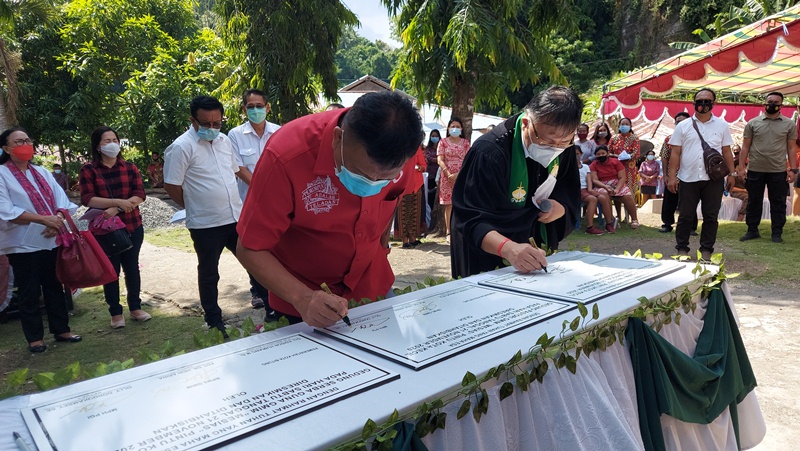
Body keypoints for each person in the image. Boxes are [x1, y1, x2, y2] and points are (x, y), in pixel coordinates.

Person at [235, 91, 423, 327]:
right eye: (360, 173)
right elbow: (250, 247)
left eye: (384, 179)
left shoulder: (401, 148)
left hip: (373, 286)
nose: (370, 185)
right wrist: (302, 298)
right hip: (305, 300)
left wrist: (382, 248)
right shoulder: (286, 155)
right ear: (338, 138)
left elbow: (393, 201)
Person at [450, 86, 582, 278]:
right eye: (547, 142)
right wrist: (508, 249)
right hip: (490, 249)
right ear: (526, 123)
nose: (555, 149)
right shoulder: (488, 153)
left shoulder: (564, 146)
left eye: (564, 142)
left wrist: (559, 208)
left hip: (533, 248)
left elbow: (568, 189)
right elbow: (470, 217)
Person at [163, 95, 244, 338]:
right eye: (206, 123)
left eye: (217, 123)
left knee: (257, 262)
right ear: (193, 120)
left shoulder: (224, 141)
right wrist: (195, 205)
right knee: (209, 273)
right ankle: (214, 320)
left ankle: (270, 306)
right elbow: (171, 185)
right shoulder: (181, 147)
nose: (212, 128)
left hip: (235, 217)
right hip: (206, 224)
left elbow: (234, 172)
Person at [0, 127, 82, 352]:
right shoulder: (2, 174)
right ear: (7, 148)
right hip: (21, 244)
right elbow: (5, 209)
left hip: (50, 238)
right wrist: (43, 220)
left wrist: (56, 219)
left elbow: (61, 200)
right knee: (29, 289)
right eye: (18, 142)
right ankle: (35, 338)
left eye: (27, 140)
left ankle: (62, 329)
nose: (25, 144)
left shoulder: (42, 172)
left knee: (54, 285)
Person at [79, 126, 150, 329]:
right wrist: (119, 201)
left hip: (132, 225)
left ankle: (135, 308)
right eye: (106, 141)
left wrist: (117, 207)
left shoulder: (130, 167)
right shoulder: (89, 170)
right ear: (97, 147)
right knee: (111, 271)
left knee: (132, 268)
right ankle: (115, 313)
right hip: (104, 230)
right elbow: (88, 198)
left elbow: (139, 195)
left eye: (114, 140)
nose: (112, 144)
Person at [666, 88, 736, 260]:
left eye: (707, 101)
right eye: (700, 101)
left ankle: (706, 250)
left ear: (714, 103)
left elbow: (727, 151)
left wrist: (732, 173)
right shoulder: (683, 126)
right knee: (685, 215)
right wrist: (672, 176)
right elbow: (675, 153)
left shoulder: (722, 125)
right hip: (688, 177)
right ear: (693, 103)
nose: (703, 104)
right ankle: (682, 249)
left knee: (711, 216)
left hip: (713, 179)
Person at [227, 89, 280, 309]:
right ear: (244, 109)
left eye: (260, 106)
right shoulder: (235, 135)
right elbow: (238, 167)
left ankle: (276, 292)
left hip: (277, 202)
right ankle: (258, 291)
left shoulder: (279, 132)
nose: (256, 110)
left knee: (276, 248)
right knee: (253, 247)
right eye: (251, 107)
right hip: (248, 202)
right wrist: (261, 188)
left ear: (267, 108)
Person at [737, 92, 798, 243]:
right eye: (770, 101)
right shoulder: (753, 123)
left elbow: (791, 148)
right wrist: (740, 167)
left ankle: (777, 233)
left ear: (781, 105)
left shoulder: (789, 124)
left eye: (776, 102)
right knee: (754, 201)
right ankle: (752, 230)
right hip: (755, 169)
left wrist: (793, 169)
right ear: (765, 103)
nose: (772, 104)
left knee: (778, 202)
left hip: (778, 170)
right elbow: (745, 147)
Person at [659, 112, 697, 233]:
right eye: (677, 121)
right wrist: (665, 175)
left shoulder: (695, 137)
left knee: (689, 201)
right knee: (669, 201)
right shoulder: (668, 139)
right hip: (672, 176)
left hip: (690, 175)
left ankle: (690, 227)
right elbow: (664, 157)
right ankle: (667, 224)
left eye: (683, 121)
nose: (680, 123)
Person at [590, 146, 640, 231]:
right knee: (604, 195)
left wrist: (617, 189)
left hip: (618, 183)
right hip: (601, 185)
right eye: (598, 154)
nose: (601, 155)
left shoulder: (616, 162)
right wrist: (605, 187)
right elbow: (594, 180)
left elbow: (622, 178)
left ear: (608, 154)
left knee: (628, 196)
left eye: (603, 153)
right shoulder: (593, 165)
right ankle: (611, 220)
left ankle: (634, 219)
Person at [437, 117, 470, 241]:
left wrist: (458, 174)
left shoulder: (466, 143)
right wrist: (447, 173)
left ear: (461, 128)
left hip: (462, 175)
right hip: (446, 176)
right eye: (452, 126)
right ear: (448, 128)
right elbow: (440, 159)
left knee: (461, 203)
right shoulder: (443, 142)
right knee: (449, 204)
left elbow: (468, 160)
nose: (455, 128)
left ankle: (461, 229)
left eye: (457, 126)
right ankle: (448, 232)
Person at [576, 146, 613, 235]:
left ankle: (609, 223)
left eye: (577, 154)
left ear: (581, 154)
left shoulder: (585, 167)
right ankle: (590, 227)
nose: (576, 156)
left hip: (586, 189)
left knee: (603, 198)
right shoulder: (568, 167)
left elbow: (589, 179)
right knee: (593, 199)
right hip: (576, 190)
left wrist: (590, 189)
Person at [398, 145, 427, 248]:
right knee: (403, 212)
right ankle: (404, 240)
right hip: (402, 183)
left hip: (416, 184)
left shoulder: (416, 147)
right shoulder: (397, 146)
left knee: (415, 211)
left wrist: (420, 167)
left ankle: (413, 238)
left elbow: (423, 165)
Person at [609, 117, 641, 207]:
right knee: (616, 191)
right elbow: (608, 152)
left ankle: (631, 215)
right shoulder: (614, 138)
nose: (624, 126)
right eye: (622, 124)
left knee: (630, 191)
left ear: (631, 126)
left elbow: (636, 153)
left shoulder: (634, 138)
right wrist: (617, 156)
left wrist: (627, 156)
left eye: (627, 124)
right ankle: (618, 215)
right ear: (619, 126)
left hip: (629, 169)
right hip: (615, 169)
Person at [423, 129, 441, 227]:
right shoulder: (428, 149)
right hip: (430, 176)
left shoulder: (441, 146)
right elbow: (429, 159)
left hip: (440, 176)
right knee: (430, 197)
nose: (434, 137)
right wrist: (440, 159)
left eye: (436, 135)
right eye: (433, 135)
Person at [729, 145, 749, 221]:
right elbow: (731, 188)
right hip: (735, 191)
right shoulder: (733, 175)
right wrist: (743, 191)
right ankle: (740, 216)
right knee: (747, 197)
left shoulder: (746, 174)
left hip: (745, 191)